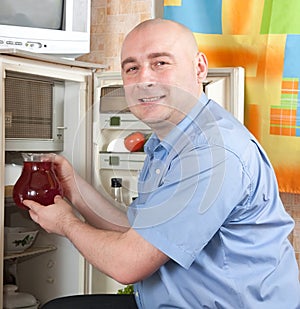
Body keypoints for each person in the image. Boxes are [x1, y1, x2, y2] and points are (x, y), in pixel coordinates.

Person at [24, 18, 300, 308]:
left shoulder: (212, 151)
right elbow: (138, 233)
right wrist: (74, 189)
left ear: (199, 68)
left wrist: (66, 223)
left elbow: (128, 264)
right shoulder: (166, 142)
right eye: (132, 68)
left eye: (160, 63)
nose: (144, 79)